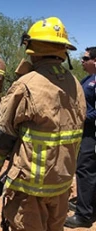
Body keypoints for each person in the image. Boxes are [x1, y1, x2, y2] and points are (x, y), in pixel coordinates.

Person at [0, 17, 86, 231]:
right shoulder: (76, 84)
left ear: (32, 47)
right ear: (63, 50)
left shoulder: (26, 85)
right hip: (62, 185)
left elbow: (3, 135)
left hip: (30, 189)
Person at [64, 47, 96, 228]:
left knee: (85, 171)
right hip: (86, 133)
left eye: (85, 58)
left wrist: (83, 117)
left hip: (92, 134)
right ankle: (88, 205)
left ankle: (83, 216)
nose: (82, 61)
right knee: (89, 170)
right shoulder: (89, 79)